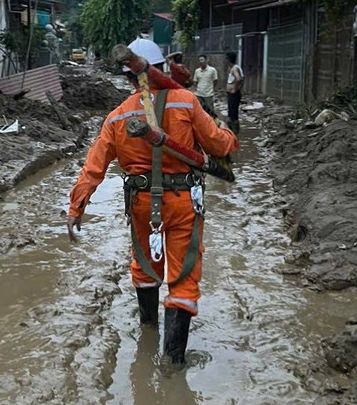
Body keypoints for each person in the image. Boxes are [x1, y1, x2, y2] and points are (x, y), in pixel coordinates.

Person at [67, 38, 237, 365]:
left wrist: (77, 207)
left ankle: (148, 331)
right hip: (183, 200)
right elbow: (218, 146)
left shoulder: (117, 116)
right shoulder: (186, 102)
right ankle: (173, 363)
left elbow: (94, 166)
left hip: (140, 204)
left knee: (144, 266)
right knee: (184, 275)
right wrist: (228, 133)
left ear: (129, 77)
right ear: (160, 69)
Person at [225, 51, 244, 134]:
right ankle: (234, 133)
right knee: (233, 114)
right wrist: (239, 88)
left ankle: (234, 134)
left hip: (233, 95)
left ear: (228, 59)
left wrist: (234, 89)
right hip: (234, 94)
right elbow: (242, 78)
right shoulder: (236, 67)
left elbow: (239, 79)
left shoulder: (234, 69)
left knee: (232, 116)